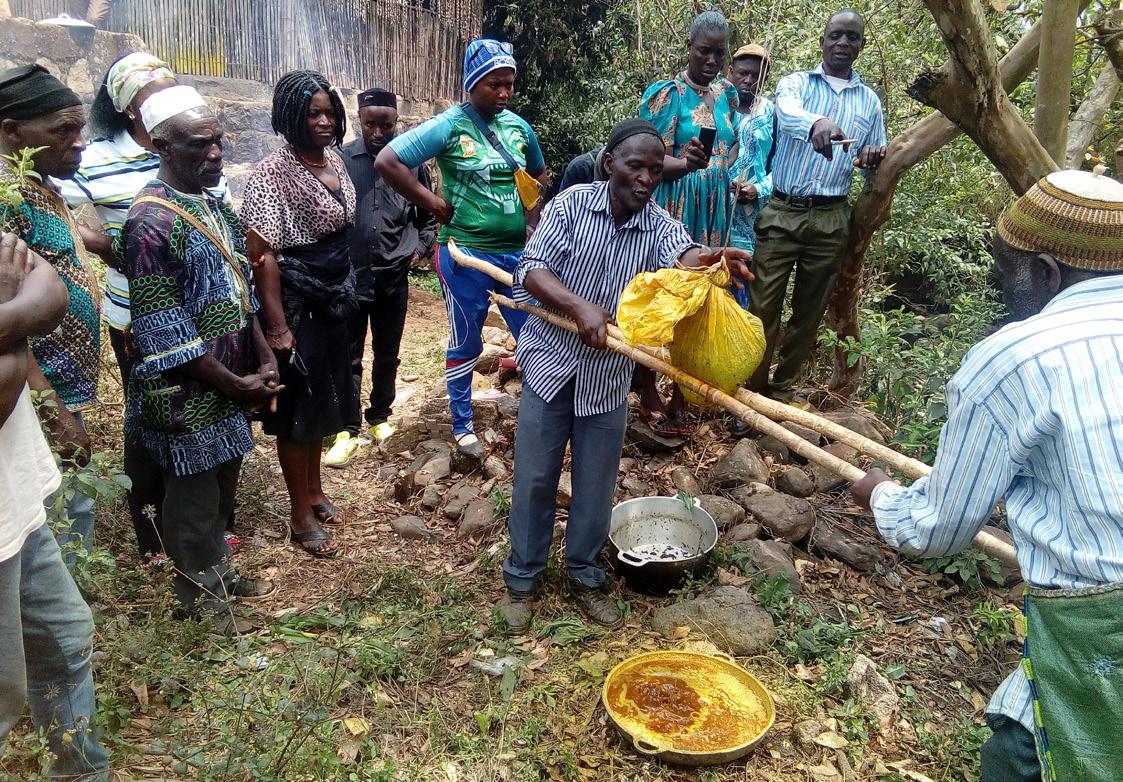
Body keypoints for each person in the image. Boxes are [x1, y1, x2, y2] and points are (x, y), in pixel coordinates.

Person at [851, 168, 1123, 782]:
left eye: (1011, 268)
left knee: (1022, 759)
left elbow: (939, 528)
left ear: (1048, 273)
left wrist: (881, 495)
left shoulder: (1016, 357)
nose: (1007, 284)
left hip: (1100, 624)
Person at [498, 119, 752, 632]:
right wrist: (580, 307)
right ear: (610, 162)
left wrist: (710, 260)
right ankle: (522, 579)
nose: (645, 178)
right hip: (550, 364)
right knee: (534, 478)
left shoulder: (658, 224)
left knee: (596, 483)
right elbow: (531, 268)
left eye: (655, 171)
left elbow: (683, 255)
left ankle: (585, 574)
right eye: (635, 166)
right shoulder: (570, 205)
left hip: (608, 376)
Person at [121, 87, 280, 634]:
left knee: (220, 492)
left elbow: (241, 291)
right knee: (190, 502)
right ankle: (203, 609)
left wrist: (262, 358)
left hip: (232, 380)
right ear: (163, 147)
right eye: (199, 145)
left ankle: (219, 576)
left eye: (218, 142)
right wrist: (234, 384)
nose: (215, 154)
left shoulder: (213, 203)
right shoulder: (149, 222)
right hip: (188, 395)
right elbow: (164, 330)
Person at [57, 52, 217, 563]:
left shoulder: (197, 145)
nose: (164, 104)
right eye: (151, 98)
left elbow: (220, 213)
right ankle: (153, 532)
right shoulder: (98, 157)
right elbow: (42, 193)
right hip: (137, 318)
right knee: (152, 420)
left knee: (206, 413)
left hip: (209, 312)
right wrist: (100, 243)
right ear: (129, 110)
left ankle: (202, 528)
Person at [377, 39, 547, 459]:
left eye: (509, 84)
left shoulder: (519, 127)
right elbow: (388, 160)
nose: (504, 93)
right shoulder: (450, 125)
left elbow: (538, 174)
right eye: (495, 85)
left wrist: (532, 221)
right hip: (466, 255)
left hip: (517, 255)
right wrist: (432, 202)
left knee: (535, 335)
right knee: (467, 339)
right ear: (473, 83)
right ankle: (461, 422)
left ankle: (541, 419)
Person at [0, 230, 109, 780]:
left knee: (65, 639)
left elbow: (50, 294)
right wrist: (13, 320)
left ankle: (80, 772)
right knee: (2, 698)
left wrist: (9, 322)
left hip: (16, 503)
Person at [241, 70, 357, 558]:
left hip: (333, 297)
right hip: (296, 301)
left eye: (330, 111)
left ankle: (314, 490)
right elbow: (262, 254)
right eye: (314, 113)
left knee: (323, 396)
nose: (325, 121)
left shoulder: (334, 159)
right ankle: (298, 514)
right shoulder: (271, 173)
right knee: (296, 409)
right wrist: (278, 326)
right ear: (291, 116)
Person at [748, 8, 887, 401]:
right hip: (783, 210)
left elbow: (871, 155)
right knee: (762, 308)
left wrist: (872, 158)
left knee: (808, 315)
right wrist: (817, 123)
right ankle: (751, 391)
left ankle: (780, 393)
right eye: (836, 36)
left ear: (860, 46)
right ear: (822, 40)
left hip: (831, 216)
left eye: (852, 38)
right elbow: (786, 112)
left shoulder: (869, 102)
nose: (843, 43)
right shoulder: (797, 85)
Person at [0, 65, 101, 568]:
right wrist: (52, 408)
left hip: (61, 388)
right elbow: (10, 325)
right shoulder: (6, 199)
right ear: (11, 131)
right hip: (35, 394)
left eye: (79, 128)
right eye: (63, 130)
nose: (80, 143)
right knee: (54, 511)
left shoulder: (34, 186)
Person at [324, 87, 436, 467]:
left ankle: (380, 417)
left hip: (392, 278)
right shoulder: (339, 161)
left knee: (387, 354)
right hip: (350, 278)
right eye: (370, 124)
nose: (377, 133)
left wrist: (418, 250)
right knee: (347, 354)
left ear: (396, 123)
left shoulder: (413, 164)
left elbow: (428, 218)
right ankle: (346, 427)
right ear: (359, 121)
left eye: (386, 125)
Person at [637, 10, 737, 435]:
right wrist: (685, 163)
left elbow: (731, 150)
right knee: (661, 296)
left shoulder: (728, 95)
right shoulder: (667, 94)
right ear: (689, 48)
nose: (712, 60)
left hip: (714, 210)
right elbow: (647, 160)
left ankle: (682, 392)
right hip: (673, 205)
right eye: (704, 51)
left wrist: (721, 172)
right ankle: (646, 390)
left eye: (719, 52)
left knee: (701, 300)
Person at [727, 43, 775, 295]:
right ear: (730, 71)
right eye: (742, 73)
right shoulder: (716, 105)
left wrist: (758, 189)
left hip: (752, 217)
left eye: (756, 76)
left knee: (743, 284)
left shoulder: (771, 113)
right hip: (713, 211)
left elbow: (782, 163)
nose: (748, 80)